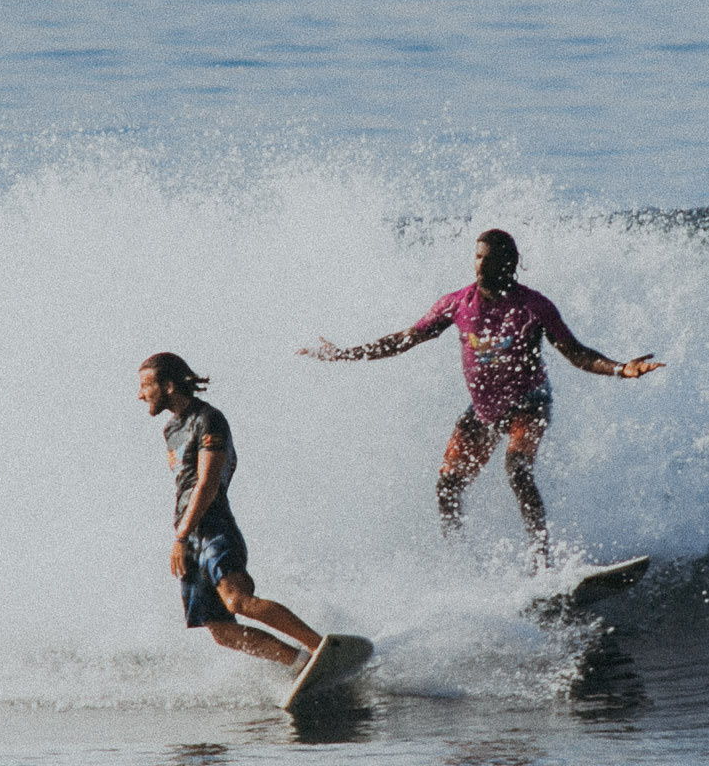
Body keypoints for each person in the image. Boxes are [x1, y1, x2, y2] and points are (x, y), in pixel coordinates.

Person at [300, 229, 662, 566]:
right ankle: (458, 561)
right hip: (484, 411)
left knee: (517, 471)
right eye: (477, 257)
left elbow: (577, 353)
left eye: (490, 258)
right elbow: (405, 338)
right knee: (447, 486)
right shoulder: (457, 303)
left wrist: (619, 368)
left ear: (511, 262)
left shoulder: (534, 306)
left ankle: (542, 562)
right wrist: (346, 353)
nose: (481, 265)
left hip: (529, 403)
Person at [139, 351, 324, 670]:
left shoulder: (208, 419)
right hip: (189, 536)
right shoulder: (170, 430)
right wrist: (183, 536)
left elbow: (208, 484)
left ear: (168, 386)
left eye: (146, 386)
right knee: (221, 630)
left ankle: (320, 647)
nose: (141, 395)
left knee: (237, 599)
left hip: (214, 526)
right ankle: (301, 664)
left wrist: (181, 537)